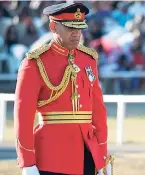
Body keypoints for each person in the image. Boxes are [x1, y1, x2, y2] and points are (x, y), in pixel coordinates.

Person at [14, 3, 114, 175]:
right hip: (51, 158)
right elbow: (23, 116)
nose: (76, 33)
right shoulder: (34, 63)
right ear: (53, 27)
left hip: (88, 155)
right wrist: (27, 162)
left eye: (79, 28)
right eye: (69, 28)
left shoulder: (88, 59)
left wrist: (102, 154)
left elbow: (98, 112)